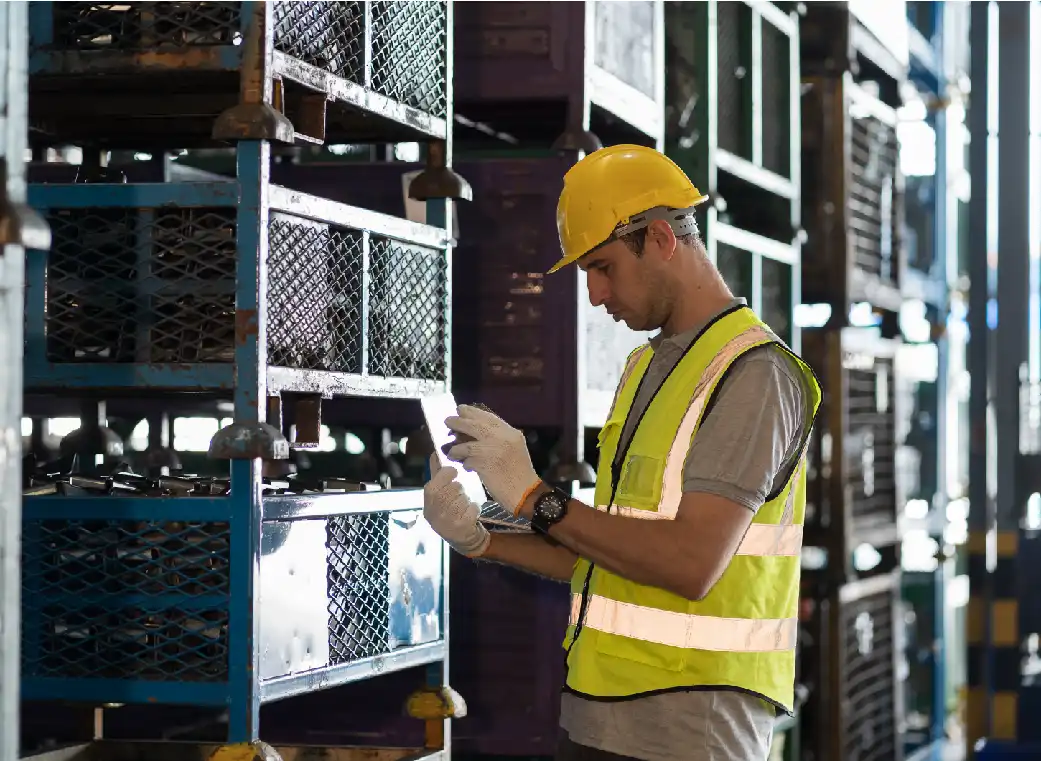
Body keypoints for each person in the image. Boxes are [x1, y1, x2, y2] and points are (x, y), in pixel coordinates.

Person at [422, 144, 822, 761]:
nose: (595, 295)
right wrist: (484, 537)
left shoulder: (752, 375)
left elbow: (690, 564)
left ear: (661, 238)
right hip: (600, 714)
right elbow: (612, 556)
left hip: (690, 727)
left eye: (603, 267)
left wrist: (535, 497)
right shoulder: (647, 366)